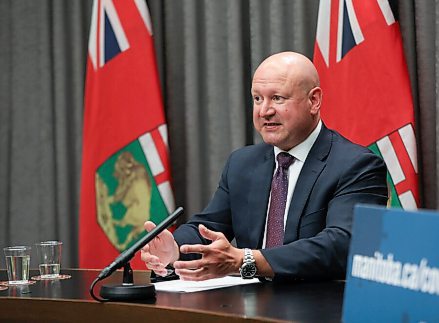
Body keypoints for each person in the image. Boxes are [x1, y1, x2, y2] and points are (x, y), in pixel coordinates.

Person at [141, 51, 388, 282]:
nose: (264, 111)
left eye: (277, 98)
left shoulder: (356, 165)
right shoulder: (242, 163)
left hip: (319, 306)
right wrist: (173, 249)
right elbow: (208, 228)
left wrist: (246, 260)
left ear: (314, 101)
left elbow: (342, 244)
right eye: (257, 99)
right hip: (248, 307)